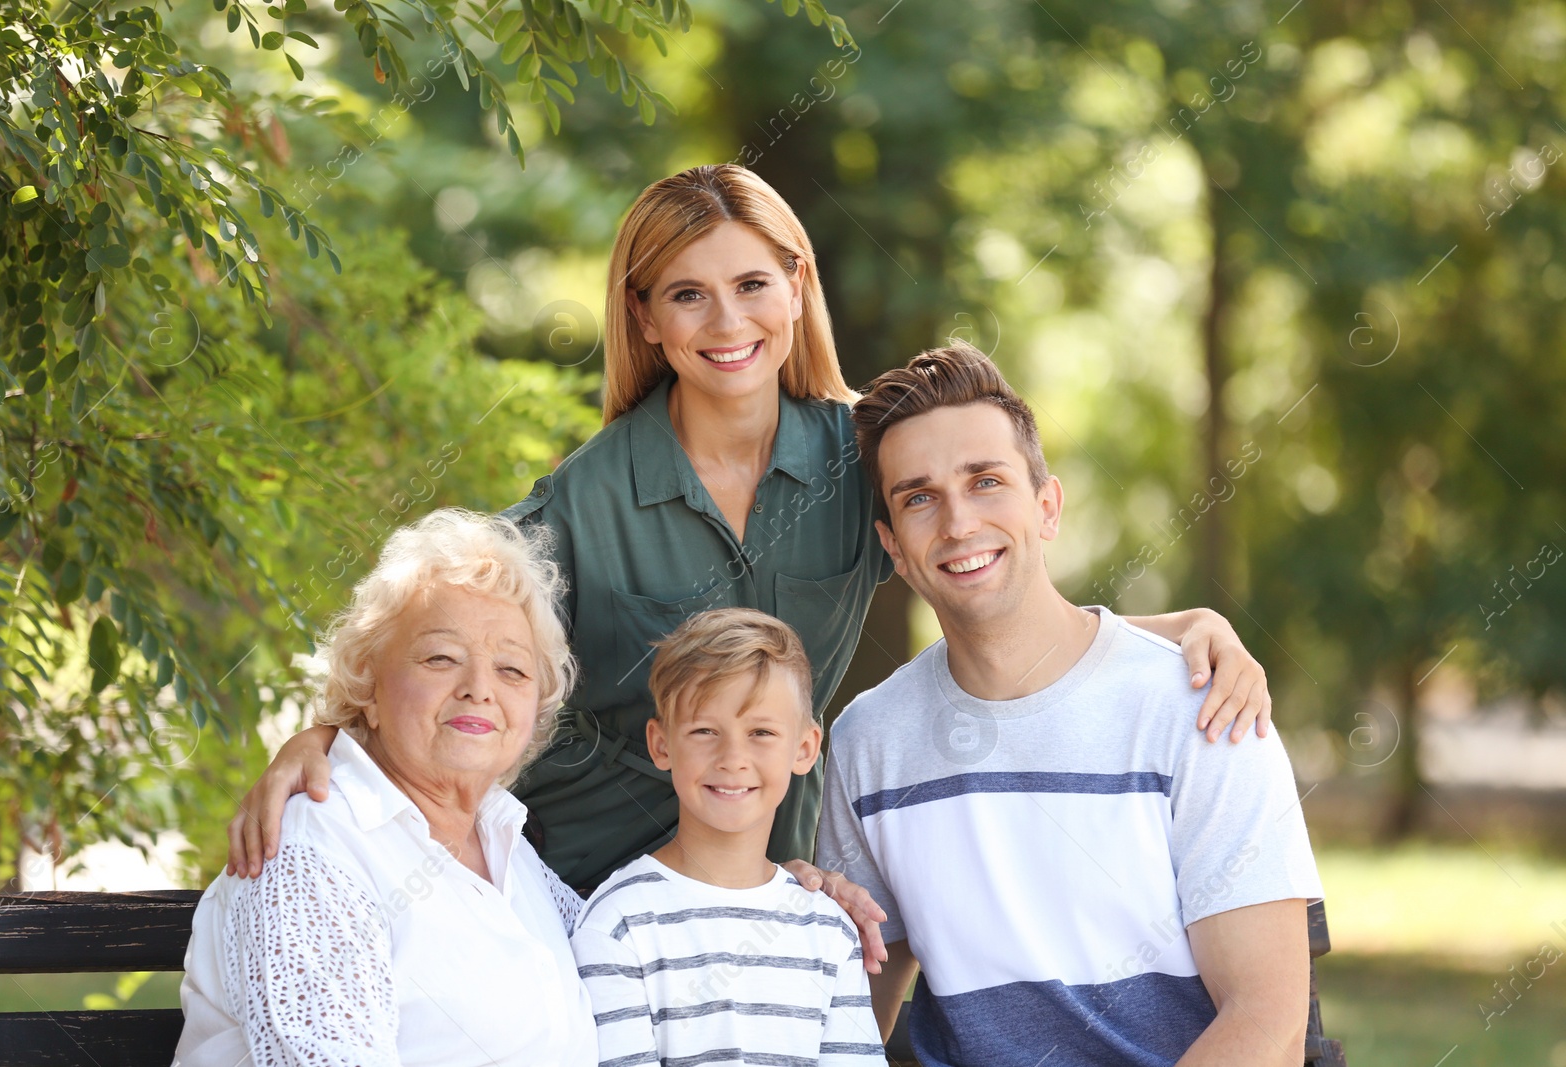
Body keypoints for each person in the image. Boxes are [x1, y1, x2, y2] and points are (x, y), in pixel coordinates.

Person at [225, 165, 1275, 964]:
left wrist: (1183, 628)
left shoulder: (863, 460)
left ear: (795, 284)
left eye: (749, 284)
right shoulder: (582, 501)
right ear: (643, 315)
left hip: (779, 891)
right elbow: (433, 637)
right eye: (685, 295)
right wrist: (325, 733)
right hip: (596, 897)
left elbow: (987, 583)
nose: (726, 323)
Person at [816, 345, 1324, 1066]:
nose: (958, 523)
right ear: (894, 547)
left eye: (986, 481)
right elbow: (849, 1014)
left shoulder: (1200, 709)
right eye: (919, 496)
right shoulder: (870, 739)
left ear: (1047, 506)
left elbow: (1267, 1020)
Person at [176, 510, 597, 1067]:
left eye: (512, 670)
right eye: (441, 658)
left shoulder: (509, 847)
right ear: (369, 688)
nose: (478, 688)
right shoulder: (312, 849)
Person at [571, 607, 886, 1066]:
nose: (733, 758)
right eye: (704, 731)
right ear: (662, 745)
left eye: (761, 731)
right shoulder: (618, 921)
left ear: (804, 748)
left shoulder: (828, 928)